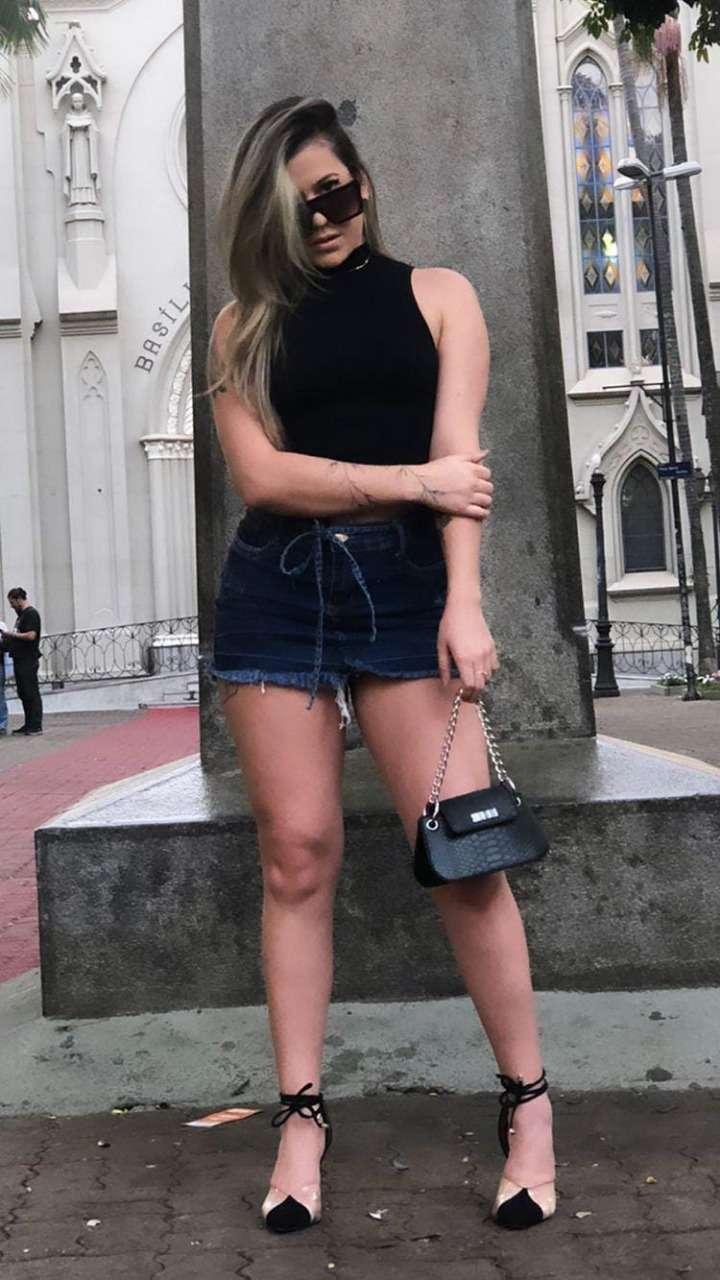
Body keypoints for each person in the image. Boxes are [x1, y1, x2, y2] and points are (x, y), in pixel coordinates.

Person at [208, 97, 555, 1236]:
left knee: (463, 857)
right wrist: (411, 483)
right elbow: (264, 477)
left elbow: (461, 460)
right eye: (298, 207)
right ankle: (302, 1118)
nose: (324, 219)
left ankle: (529, 1106)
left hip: (409, 589)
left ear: (364, 181)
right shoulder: (242, 326)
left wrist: (466, 601)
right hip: (278, 591)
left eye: (336, 193)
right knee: (297, 857)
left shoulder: (441, 295)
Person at [2, 589, 43, 735]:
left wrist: (11, 634)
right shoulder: (21, 616)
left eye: (12, 602)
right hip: (20, 659)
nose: (11, 606)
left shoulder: (31, 614)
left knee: (31, 692)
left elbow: (31, 635)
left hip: (28, 659)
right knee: (24, 692)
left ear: (19, 599)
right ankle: (28, 724)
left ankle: (35, 726)